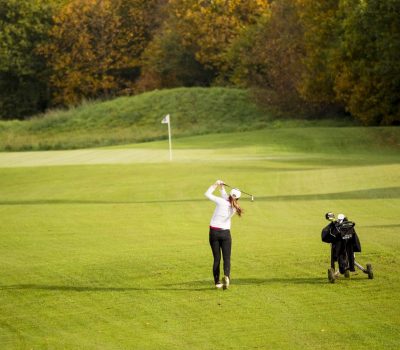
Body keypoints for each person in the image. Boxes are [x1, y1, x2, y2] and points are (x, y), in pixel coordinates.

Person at [204, 180, 243, 289]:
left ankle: (217, 283)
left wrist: (216, 184)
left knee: (217, 258)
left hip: (214, 233)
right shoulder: (235, 207)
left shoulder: (221, 201)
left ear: (230, 195)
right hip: (225, 234)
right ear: (238, 198)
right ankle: (227, 277)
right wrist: (221, 188)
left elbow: (207, 194)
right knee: (227, 258)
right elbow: (228, 198)